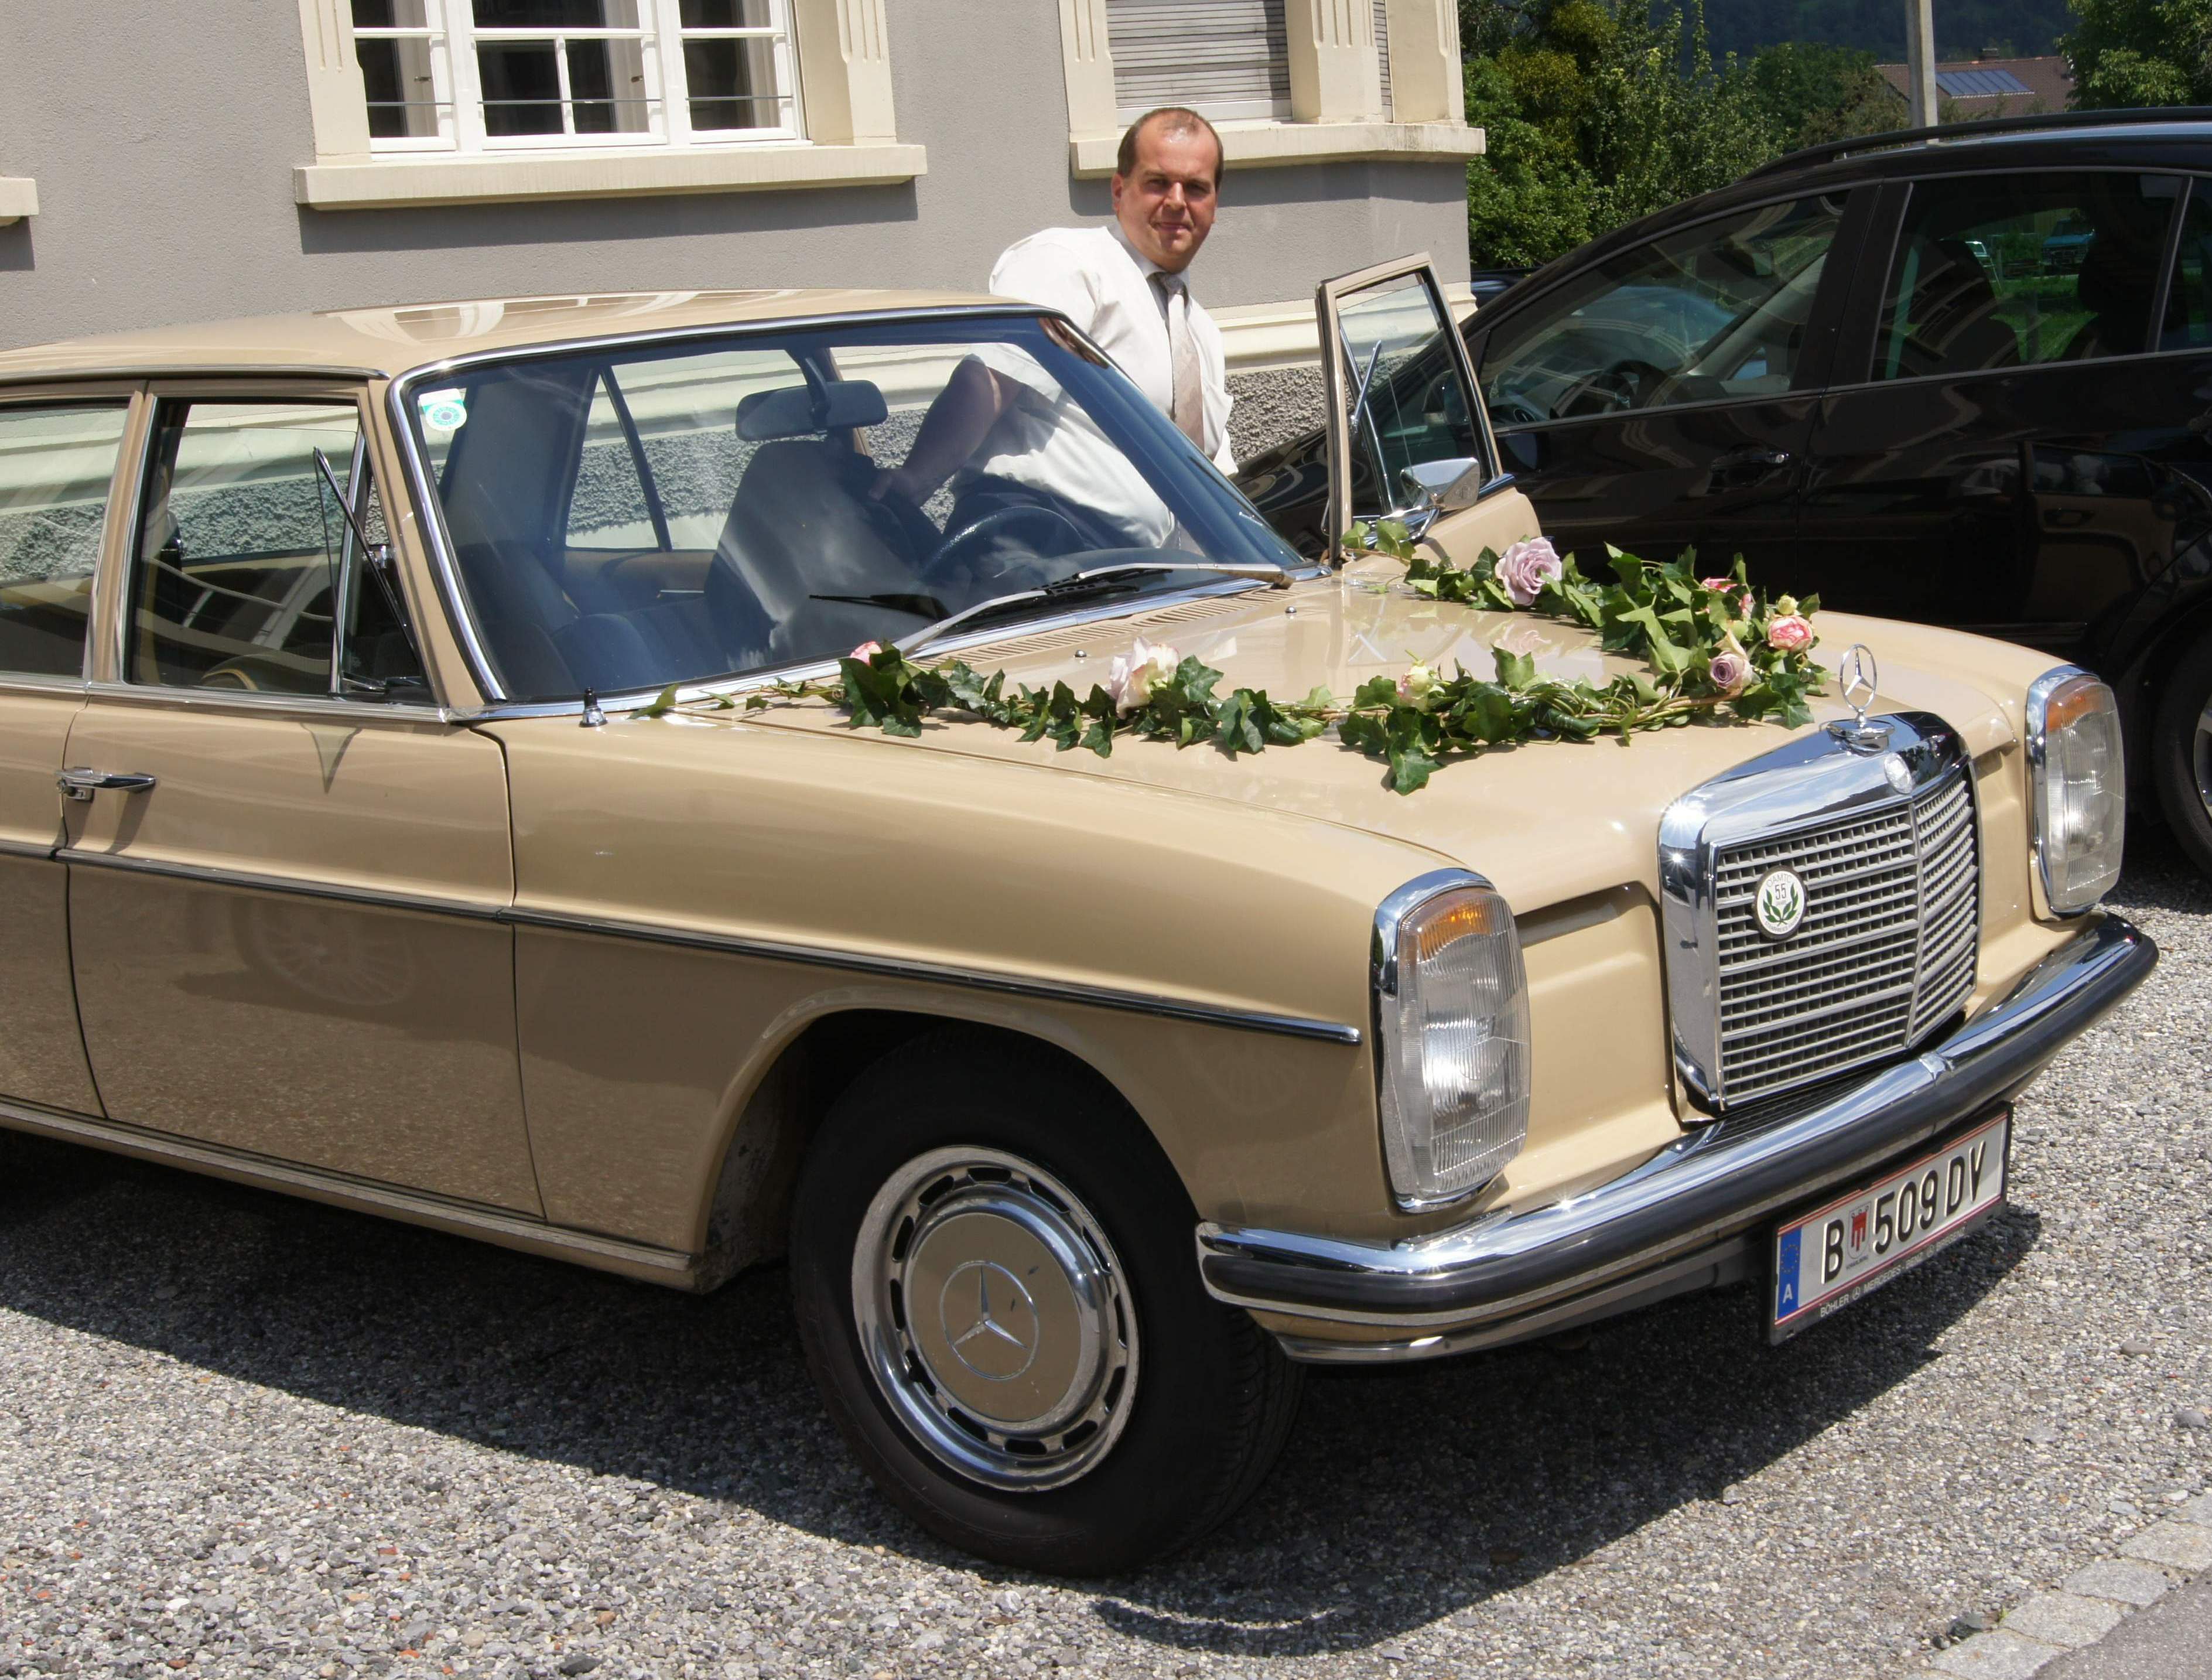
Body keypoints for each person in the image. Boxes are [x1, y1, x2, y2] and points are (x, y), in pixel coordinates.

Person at [870, 107, 1236, 556]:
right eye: (1157, 183)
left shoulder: (1202, 335)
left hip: (1142, 570)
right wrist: (913, 481)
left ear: (1214, 204)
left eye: (1196, 188)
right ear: (1119, 191)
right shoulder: (1070, 262)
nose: (1177, 201)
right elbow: (991, 381)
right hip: (1035, 545)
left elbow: (1212, 484)